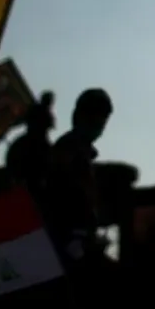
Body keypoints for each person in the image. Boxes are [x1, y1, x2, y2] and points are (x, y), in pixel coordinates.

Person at [45, 88, 113, 259]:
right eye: (96, 117)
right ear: (80, 116)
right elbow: (72, 196)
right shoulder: (69, 149)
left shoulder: (79, 151)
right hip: (66, 240)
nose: (100, 125)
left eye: (103, 119)